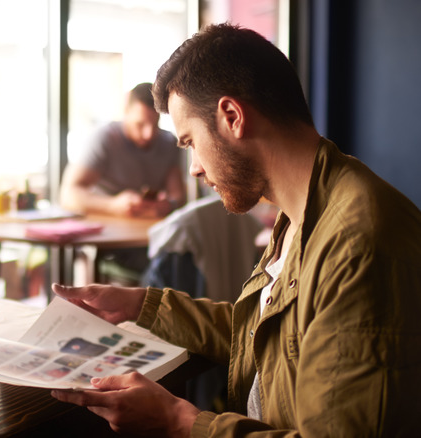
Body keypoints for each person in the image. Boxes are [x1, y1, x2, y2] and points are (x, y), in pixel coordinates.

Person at [50, 23, 421, 437]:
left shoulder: (360, 242)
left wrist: (178, 422)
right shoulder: (305, 208)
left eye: (190, 141)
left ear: (232, 117)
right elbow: (271, 335)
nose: (193, 169)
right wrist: (142, 306)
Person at [60, 82, 186, 218]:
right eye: (140, 124)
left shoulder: (169, 143)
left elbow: (178, 196)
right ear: (126, 110)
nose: (148, 134)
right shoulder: (104, 139)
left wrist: (168, 204)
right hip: (107, 228)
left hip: (147, 228)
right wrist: (112, 205)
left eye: (155, 125)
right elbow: (68, 195)